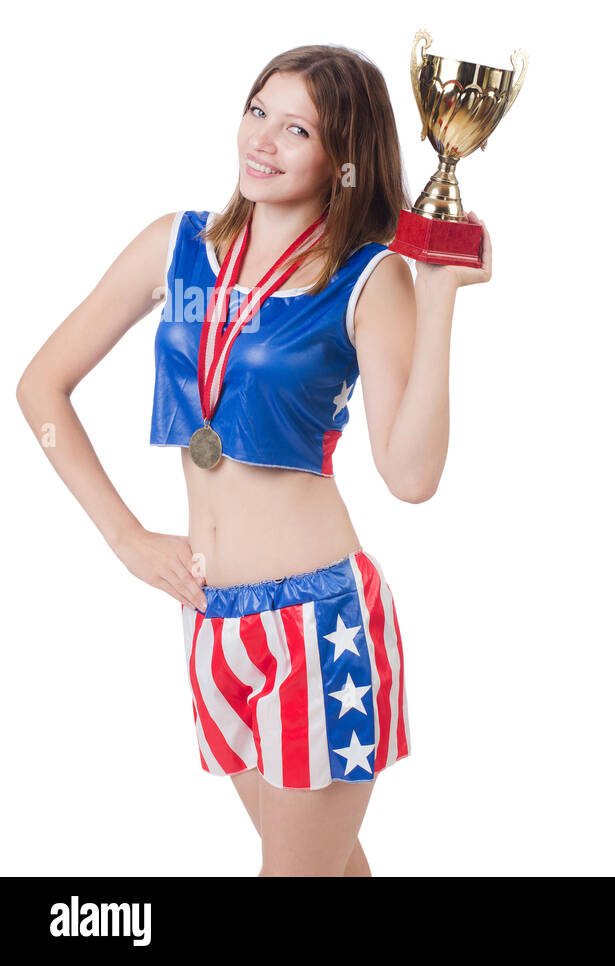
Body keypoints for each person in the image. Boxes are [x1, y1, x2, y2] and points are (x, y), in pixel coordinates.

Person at [16, 44, 491, 875]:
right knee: (331, 868)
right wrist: (125, 538)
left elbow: (411, 477)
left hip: (318, 632)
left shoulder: (367, 279)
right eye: (257, 110)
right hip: (211, 622)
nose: (262, 140)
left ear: (343, 158)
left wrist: (441, 293)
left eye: (297, 127)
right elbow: (41, 388)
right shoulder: (176, 246)